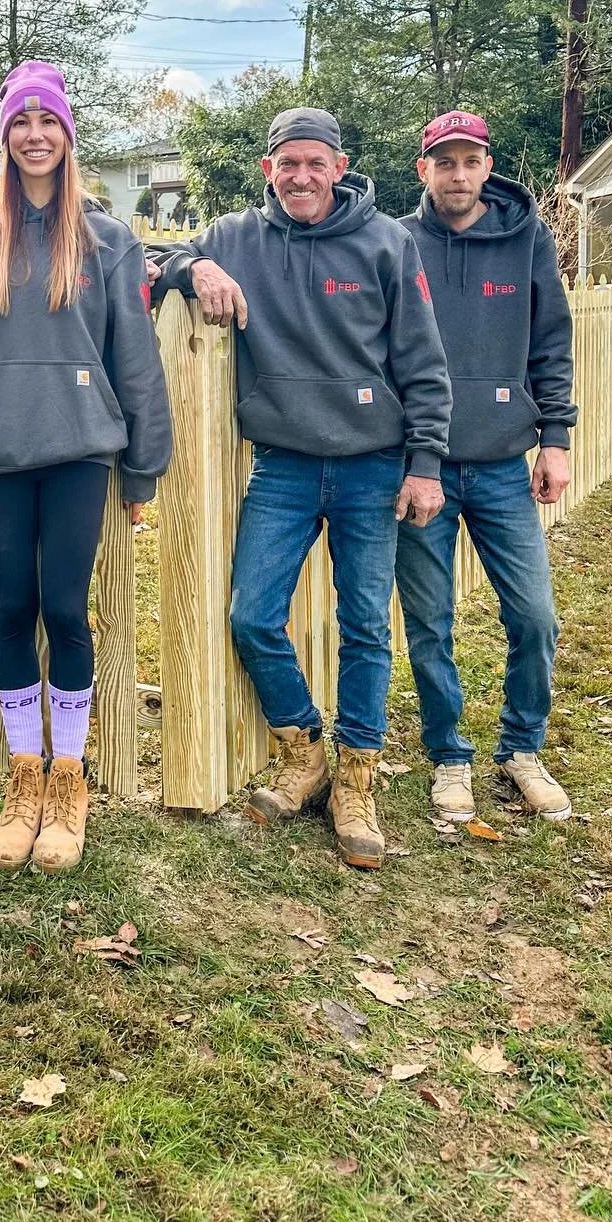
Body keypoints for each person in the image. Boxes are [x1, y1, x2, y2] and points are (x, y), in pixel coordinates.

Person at [157, 108, 451, 869]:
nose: (301, 176)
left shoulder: (387, 242)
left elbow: (422, 359)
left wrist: (426, 462)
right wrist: (199, 268)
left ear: (339, 165)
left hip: (372, 465)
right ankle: (303, 748)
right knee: (252, 615)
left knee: (365, 626)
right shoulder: (236, 238)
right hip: (283, 464)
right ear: (268, 170)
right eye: (287, 163)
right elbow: (158, 257)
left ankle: (357, 779)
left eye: (315, 163)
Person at [0, 61, 172, 876]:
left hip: (77, 452)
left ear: (68, 136)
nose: (35, 136)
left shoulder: (108, 240)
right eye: (21, 124)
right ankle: (23, 778)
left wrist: (141, 470)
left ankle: (69, 780)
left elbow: (134, 360)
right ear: (5, 137)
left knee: (66, 612)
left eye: (49, 123)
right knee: (11, 610)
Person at [394, 110, 577, 825]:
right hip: (424, 470)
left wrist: (554, 438)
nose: (458, 174)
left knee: (534, 616)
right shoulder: (398, 242)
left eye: (470, 161)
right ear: (425, 170)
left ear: (486, 166)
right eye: (445, 162)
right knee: (429, 623)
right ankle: (448, 754)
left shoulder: (526, 239)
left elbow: (551, 341)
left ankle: (522, 746)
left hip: (503, 466)